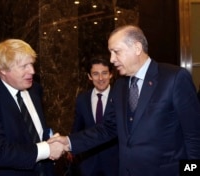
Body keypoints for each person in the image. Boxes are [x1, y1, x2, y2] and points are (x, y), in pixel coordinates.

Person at [48, 25, 200, 176]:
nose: (112, 60)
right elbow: (108, 128)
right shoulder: (120, 86)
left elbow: (194, 136)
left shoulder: (174, 78)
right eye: (110, 53)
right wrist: (68, 142)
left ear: (137, 48)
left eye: (116, 52)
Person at [0, 39, 64, 176]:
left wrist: (50, 139)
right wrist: (47, 149)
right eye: (24, 66)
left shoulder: (34, 89)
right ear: (3, 70)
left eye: (32, 64)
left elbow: (32, 131)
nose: (32, 71)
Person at [69, 58, 119, 176]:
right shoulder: (82, 99)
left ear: (111, 74)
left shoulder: (120, 98)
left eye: (104, 73)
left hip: (114, 163)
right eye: (95, 74)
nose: (100, 78)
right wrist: (71, 148)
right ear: (89, 76)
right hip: (88, 163)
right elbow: (77, 128)